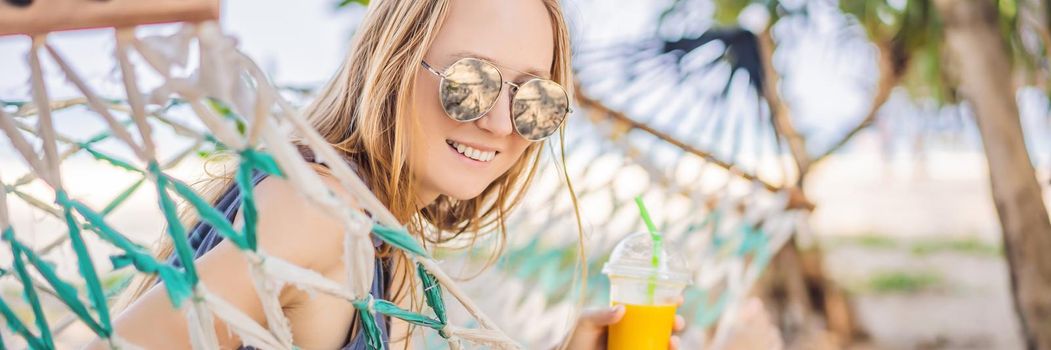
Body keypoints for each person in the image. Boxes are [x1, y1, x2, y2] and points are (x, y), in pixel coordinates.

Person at [86, 0, 689, 348]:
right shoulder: (322, 213)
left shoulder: (384, 244)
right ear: (393, 68)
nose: (504, 124)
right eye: (471, 82)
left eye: (536, 99)